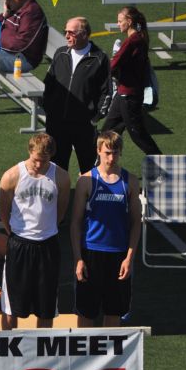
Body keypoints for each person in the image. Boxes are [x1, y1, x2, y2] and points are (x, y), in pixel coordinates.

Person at [0, 133, 70, 330]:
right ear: (29, 151)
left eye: (44, 160)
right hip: (20, 244)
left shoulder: (61, 177)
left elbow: (61, 211)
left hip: (47, 244)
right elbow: (3, 210)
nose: (39, 165)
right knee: (11, 304)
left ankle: (42, 352)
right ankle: (8, 348)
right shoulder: (12, 175)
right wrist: (14, 232)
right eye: (36, 160)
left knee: (46, 304)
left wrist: (47, 229)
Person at [70, 131, 141, 327]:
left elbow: (136, 222)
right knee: (86, 313)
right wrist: (78, 259)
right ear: (98, 151)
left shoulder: (131, 181)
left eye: (115, 153)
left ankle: (110, 357)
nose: (111, 158)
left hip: (118, 255)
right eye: (107, 152)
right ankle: (84, 357)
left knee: (114, 311)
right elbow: (75, 223)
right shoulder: (86, 180)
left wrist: (129, 257)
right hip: (91, 252)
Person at [44, 17, 112, 174]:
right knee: (56, 169)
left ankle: (88, 197)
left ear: (85, 34)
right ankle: (60, 199)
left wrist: (96, 117)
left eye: (71, 32)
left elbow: (107, 91)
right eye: (65, 32)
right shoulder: (60, 53)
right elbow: (49, 84)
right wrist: (49, 109)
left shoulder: (99, 58)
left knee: (89, 168)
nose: (67, 36)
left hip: (84, 125)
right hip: (57, 123)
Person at [102, 6, 162, 155]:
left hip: (128, 96)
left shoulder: (132, 41)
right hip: (125, 94)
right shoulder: (140, 38)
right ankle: (98, 169)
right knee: (107, 134)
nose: (118, 24)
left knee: (138, 136)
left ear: (129, 21)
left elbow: (114, 64)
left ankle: (163, 167)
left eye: (120, 21)